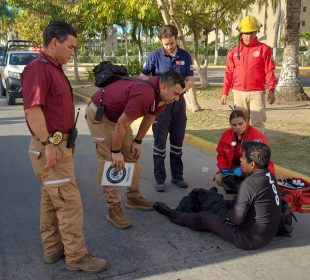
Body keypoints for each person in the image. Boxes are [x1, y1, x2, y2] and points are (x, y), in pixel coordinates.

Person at [22, 21, 107, 272]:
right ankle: (77, 256)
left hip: (58, 146)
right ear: (55, 42)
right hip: (50, 147)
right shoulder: (39, 69)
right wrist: (48, 143)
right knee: (69, 204)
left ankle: (53, 249)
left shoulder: (54, 68)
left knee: (51, 201)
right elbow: (33, 109)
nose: (72, 52)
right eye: (70, 47)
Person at [85, 71, 185, 229]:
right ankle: (113, 208)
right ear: (164, 87)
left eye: (180, 95)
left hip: (118, 119)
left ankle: (133, 196)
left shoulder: (162, 96)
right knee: (110, 163)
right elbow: (123, 124)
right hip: (100, 116)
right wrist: (116, 152)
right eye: (176, 94)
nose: (177, 98)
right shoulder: (145, 93)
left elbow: (150, 117)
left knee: (132, 154)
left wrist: (137, 141)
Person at [154, 142, 282, 250]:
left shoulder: (249, 184)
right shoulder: (269, 175)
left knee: (204, 218)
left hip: (248, 239)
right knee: (217, 202)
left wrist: (222, 216)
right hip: (267, 234)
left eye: (243, 158)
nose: (240, 160)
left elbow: (236, 219)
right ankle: (208, 200)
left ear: (252, 164)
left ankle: (171, 213)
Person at [141, 24, 194, 192]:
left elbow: (190, 80)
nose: (169, 47)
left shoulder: (185, 56)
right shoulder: (155, 56)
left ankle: (177, 177)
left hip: (178, 105)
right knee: (160, 144)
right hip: (161, 106)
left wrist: (178, 93)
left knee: (177, 143)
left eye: (171, 43)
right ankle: (160, 179)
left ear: (177, 38)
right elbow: (144, 76)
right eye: (166, 44)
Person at [221, 15, 277, 132]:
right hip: (238, 92)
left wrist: (271, 90)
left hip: (257, 93)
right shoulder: (233, 51)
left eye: (252, 33)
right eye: (246, 33)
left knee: (257, 123)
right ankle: (242, 149)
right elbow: (229, 73)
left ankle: (257, 149)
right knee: (240, 125)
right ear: (241, 33)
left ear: (257, 32)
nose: (248, 36)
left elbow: (269, 70)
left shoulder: (264, 49)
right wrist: (224, 92)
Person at [214, 109, 275, 189]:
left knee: (252, 182)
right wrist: (223, 167)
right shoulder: (226, 135)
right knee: (219, 178)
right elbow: (222, 154)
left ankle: (247, 192)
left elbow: (260, 162)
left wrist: (242, 170)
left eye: (240, 124)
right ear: (230, 125)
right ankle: (239, 191)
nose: (237, 127)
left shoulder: (256, 136)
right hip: (236, 166)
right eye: (234, 125)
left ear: (246, 122)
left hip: (253, 168)